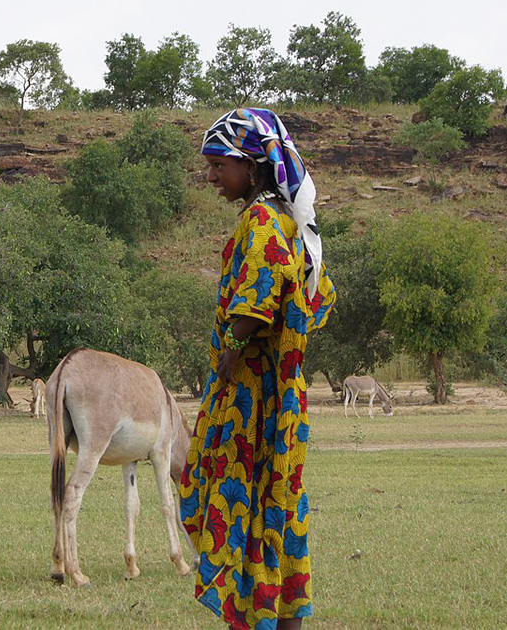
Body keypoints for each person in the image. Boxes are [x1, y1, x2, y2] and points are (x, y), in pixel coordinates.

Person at [178, 108, 335, 630]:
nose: (211, 177)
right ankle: (276, 614)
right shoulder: (285, 221)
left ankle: (250, 617)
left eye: (218, 165)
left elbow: (257, 298)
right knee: (276, 504)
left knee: (242, 499)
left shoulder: (264, 222)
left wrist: (230, 348)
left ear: (251, 165)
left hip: (255, 395)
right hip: (277, 393)